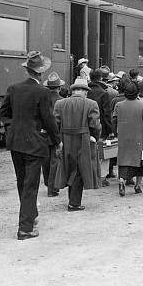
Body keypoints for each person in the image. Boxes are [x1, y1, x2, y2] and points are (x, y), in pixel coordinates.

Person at [0, 51, 59, 240]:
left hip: (15, 142)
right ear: (40, 73)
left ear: (27, 70)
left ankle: (30, 217)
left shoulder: (13, 88)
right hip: (34, 143)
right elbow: (49, 119)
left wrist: (14, 128)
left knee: (21, 182)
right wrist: (56, 141)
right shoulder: (43, 92)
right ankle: (25, 228)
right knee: (31, 185)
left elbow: (3, 113)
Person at [53, 77, 101, 210]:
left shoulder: (60, 103)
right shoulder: (91, 104)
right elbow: (95, 125)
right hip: (83, 140)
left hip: (65, 139)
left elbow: (55, 124)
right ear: (85, 91)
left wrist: (58, 141)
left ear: (73, 91)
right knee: (79, 170)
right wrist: (95, 137)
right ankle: (74, 203)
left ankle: (72, 200)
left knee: (68, 168)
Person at [112, 81, 143, 196]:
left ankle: (122, 181)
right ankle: (138, 185)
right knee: (140, 163)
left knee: (123, 161)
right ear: (137, 93)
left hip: (123, 138)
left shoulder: (118, 105)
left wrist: (116, 133)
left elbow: (114, 121)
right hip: (139, 139)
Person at [88, 68, 113, 186]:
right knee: (103, 153)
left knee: (89, 152)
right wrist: (110, 129)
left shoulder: (86, 91)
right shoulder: (104, 93)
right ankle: (102, 178)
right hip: (101, 127)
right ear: (101, 78)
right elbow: (107, 114)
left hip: (86, 127)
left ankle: (90, 176)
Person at [42, 71, 65, 197]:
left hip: (43, 134)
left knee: (45, 161)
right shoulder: (62, 101)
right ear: (59, 87)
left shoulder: (42, 99)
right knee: (55, 161)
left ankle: (47, 183)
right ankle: (52, 188)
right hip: (57, 134)